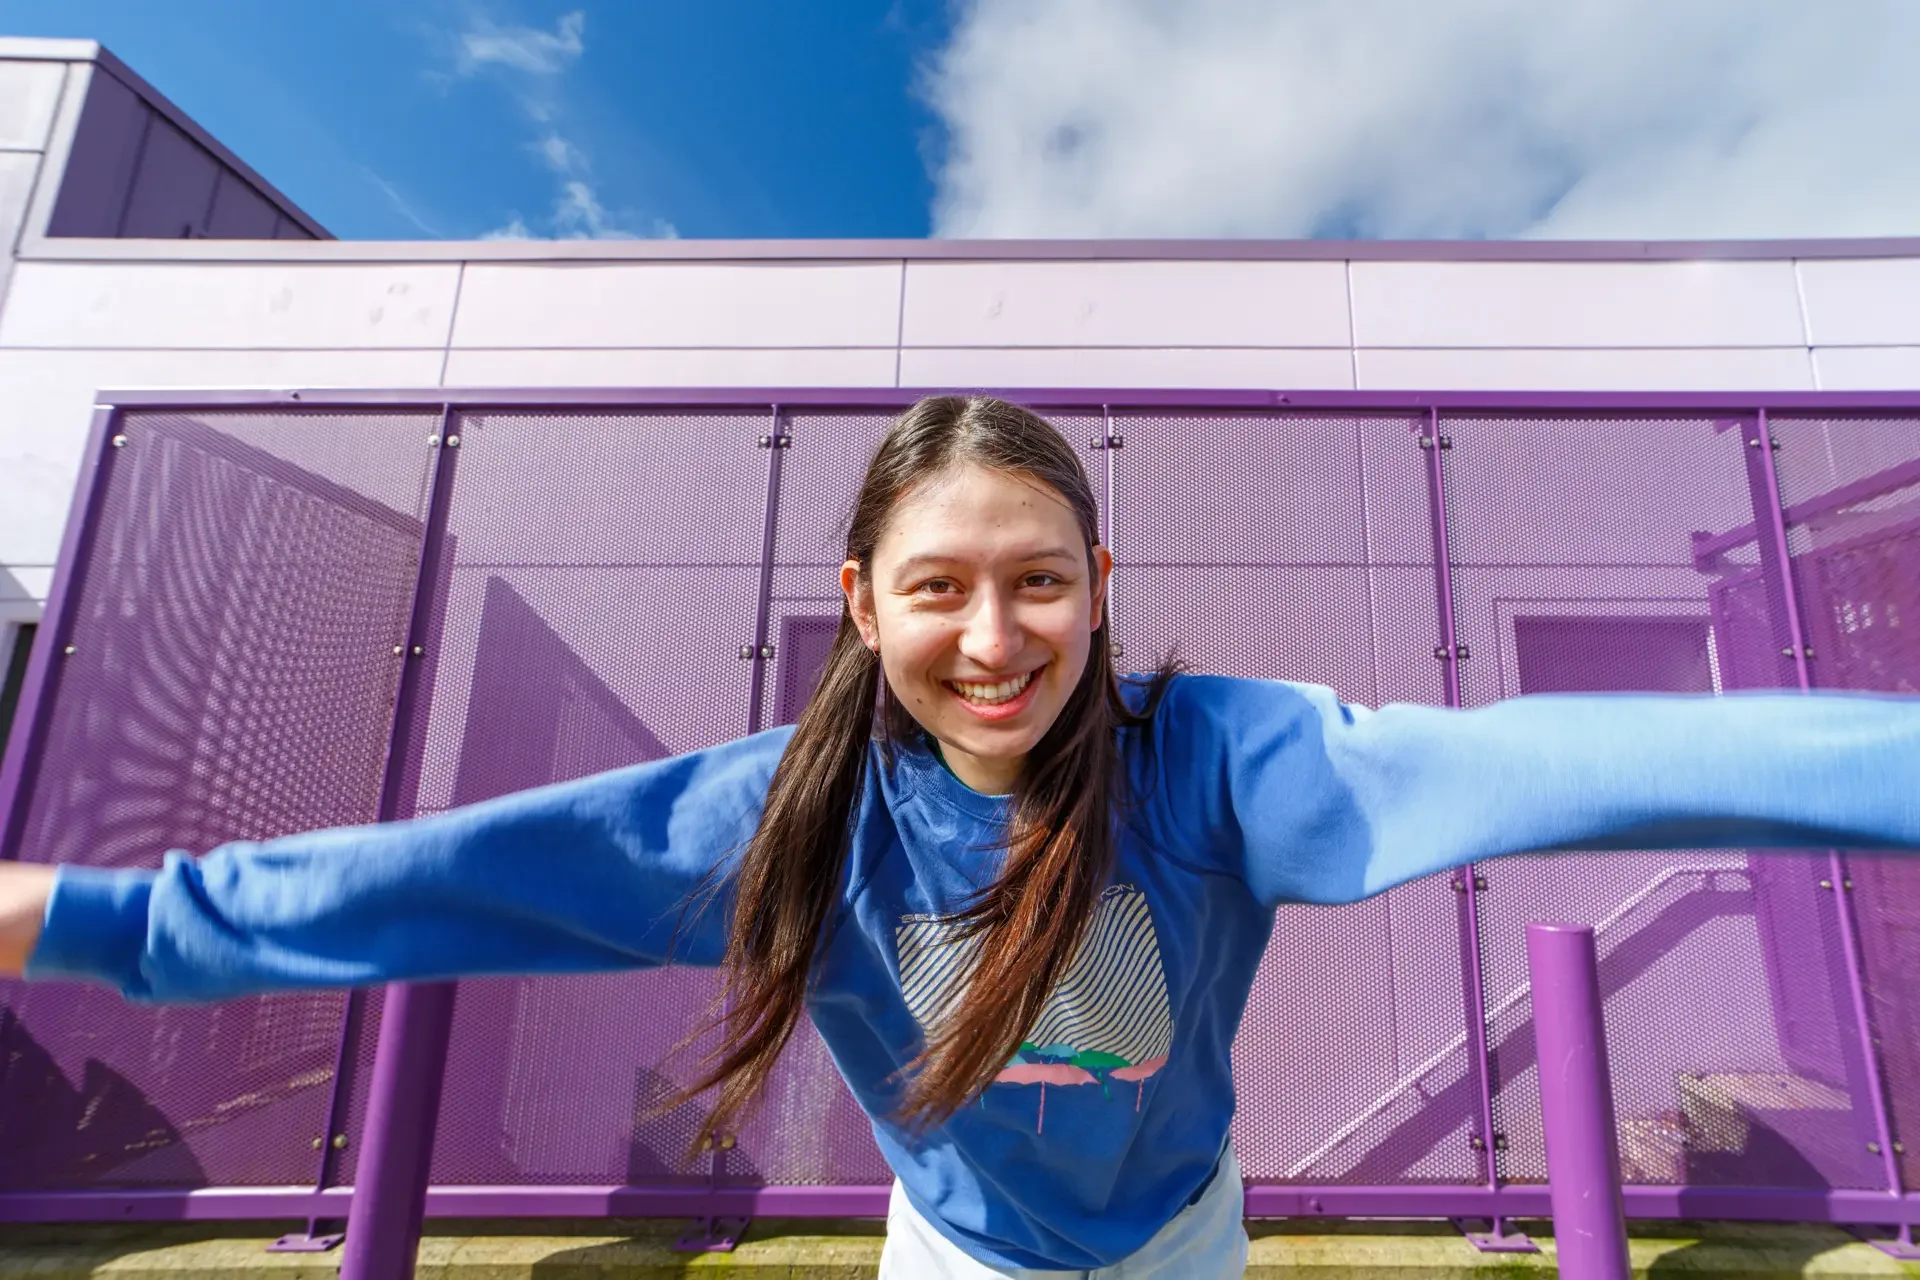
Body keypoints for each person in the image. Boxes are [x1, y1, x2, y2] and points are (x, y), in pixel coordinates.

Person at [0, 394, 1916, 1278]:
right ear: (862, 599)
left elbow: (1562, 764)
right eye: (938, 591)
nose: (992, 643)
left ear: (1100, 583)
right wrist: (88, 920)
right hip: (967, 1251)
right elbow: (443, 878)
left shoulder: (1222, 767)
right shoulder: (790, 813)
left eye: (1037, 586)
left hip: (1178, 1237)